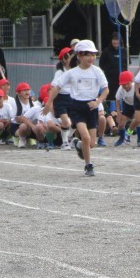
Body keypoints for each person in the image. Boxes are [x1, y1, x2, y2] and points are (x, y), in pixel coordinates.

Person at [44, 39, 109, 176]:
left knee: (91, 143)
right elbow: (56, 87)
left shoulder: (97, 71)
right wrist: (49, 103)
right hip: (77, 108)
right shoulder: (72, 73)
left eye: (93, 54)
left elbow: (106, 90)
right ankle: (88, 165)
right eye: (87, 54)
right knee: (85, 137)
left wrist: (98, 102)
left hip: (92, 108)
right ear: (79, 55)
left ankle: (78, 145)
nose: (91, 58)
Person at [52, 46, 74, 149]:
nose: (72, 58)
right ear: (64, 60)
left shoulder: (76, 71)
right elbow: (54, 87)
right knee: (66, 121)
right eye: (69, 56)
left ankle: (68, 137)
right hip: (60, 98)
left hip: (73, 98)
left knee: (76, 122)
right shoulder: (59, 72)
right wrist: (50, 102)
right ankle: (64, 142)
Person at [98, 33, 127, 109]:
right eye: (114, 39)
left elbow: (126, 65)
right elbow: (101, 65)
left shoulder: (124, 51)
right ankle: (110, 112)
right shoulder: (106, 51)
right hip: (110, 81)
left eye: (117, 39)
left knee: (122, 97)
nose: (115, 41)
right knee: (111, 97)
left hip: (122, 80)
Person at [114, 71, 135, 147]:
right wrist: (118, 112)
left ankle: (139, 139)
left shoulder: (135, 87)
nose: (126, 86)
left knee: (137, 121)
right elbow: (117, 100)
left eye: (127, 84)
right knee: (121, 124)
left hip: (137, 105)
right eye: (123, 84)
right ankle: (122, 138)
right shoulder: (120, 89)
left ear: (131, 81)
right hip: (127, 105)